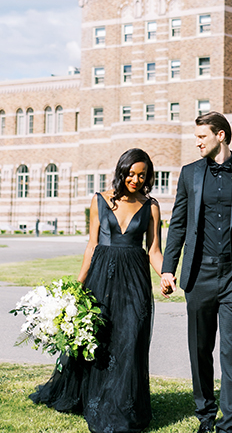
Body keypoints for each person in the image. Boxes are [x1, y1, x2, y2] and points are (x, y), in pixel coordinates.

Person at [30, 148, 164, 433]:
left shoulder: (151, 206)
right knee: (101, 339)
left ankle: (124, 406)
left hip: (135, 278)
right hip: (102, 276)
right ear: (121, 171)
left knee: (132, 337)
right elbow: (92, 244)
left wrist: (165, 274)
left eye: (142, 175)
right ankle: (97, 399)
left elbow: (153, 250)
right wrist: (78, 284)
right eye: (131, 174)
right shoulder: (100, 200)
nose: (136, 180)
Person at [160, 111, 232, 433]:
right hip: (199, 276)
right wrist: (168, 269)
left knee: (230, 352)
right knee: (199, 350)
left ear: (220, 135)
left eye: (201, 137)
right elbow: (178, 225)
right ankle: (205, 417)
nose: (196, 142)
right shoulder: (189, 174)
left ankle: (228, 426)